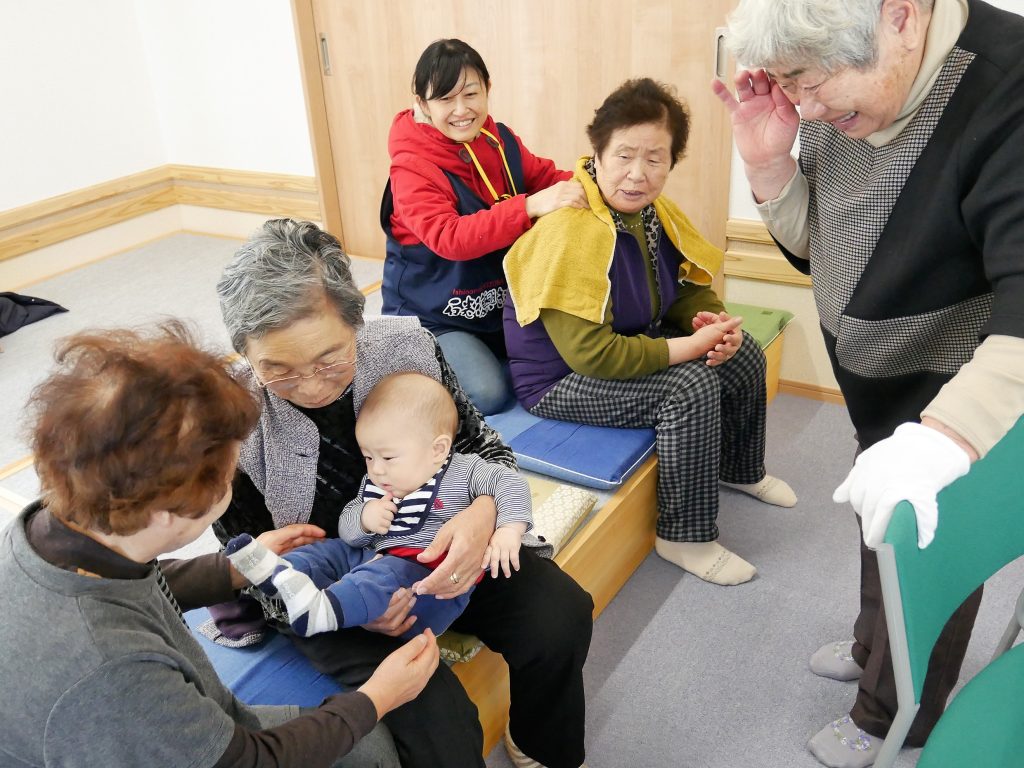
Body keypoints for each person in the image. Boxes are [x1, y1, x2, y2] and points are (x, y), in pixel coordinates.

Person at [715, 0, 1024, 765]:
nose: (804, 106)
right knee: (873, 524)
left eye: (812, 82)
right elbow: (820, 245)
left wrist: (941, 443)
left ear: (902, 19)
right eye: (788, 84)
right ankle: (870, 645)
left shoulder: (1007, 90)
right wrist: (769, 166)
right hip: (877, 383)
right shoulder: (834, 91)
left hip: (964, 396)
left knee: (928, 549)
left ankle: (897, 718)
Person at [215, 218, 593, 768]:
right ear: (246, 354)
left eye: (329, 359)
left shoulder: (407, 349)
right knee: (440, 721)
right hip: (329, 589)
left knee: (559, 613)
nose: (313, 386)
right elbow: (245, 563)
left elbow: (488, 455)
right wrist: (357, 610)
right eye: (278, 370)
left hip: (443, 540)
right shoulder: (231, 419)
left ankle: (541, 744)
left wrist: (482, 520)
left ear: (356, 322)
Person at [0, 322, 438, 768]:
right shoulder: (114, 671)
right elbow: (247, 762)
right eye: (230, 472)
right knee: (369, 747)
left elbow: (124, 591)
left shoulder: (55, 525)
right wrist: (376, 699)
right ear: (171, 510)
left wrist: (231, 570)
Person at [503, 77, 797, 588]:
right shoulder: (569, 229)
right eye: (624, 156)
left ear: (671, 162)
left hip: (629, 340)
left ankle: (739, 468)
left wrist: (712, 324)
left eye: (655, 159)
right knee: (689, 386)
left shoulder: (651, 214)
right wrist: (688, 346)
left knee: (743, 353)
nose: (638, 174)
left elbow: (685, 288)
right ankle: (683, 536)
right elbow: (591, 355)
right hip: (560, 380)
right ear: (596, 153)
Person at [225, 371, 533, 640]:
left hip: (424, 580)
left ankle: (325, 611)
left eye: (387, 457)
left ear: (438, 449)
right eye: (368, 457)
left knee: (381, 577)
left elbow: (511, 484)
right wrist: (364, 519)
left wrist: (509, 529)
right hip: (373, 555)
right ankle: (277, 572)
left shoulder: (466, 471)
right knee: (329, 551)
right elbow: (349, 532)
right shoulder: (376, 482)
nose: (377, 469)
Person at [381, 38, 588, 415]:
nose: (461, 110)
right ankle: (401, 363)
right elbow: (449, 237)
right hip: (433, 316)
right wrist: (528, 206)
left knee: (574, 354)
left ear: (488, 90)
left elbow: (548, 178)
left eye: (471, 94)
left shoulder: (499, 138)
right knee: (489, 394)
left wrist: (602, 180)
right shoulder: (411, 166)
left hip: (497, 304)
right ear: (422, 104)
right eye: (445, 99)